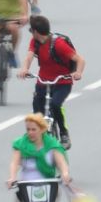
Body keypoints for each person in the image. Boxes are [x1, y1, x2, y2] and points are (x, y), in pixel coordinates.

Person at [22, 15, 83, 143]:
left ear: (35, 31)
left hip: (62, 82)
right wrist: (25, 69)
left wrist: (78, 72)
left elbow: (80, 60)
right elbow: (29, 56)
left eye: (31, 31)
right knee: (37, 108)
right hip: (43, 81)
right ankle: (38, 137)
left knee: (55, 104)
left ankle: (63, 132)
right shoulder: (35, 42)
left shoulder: (59, 44)